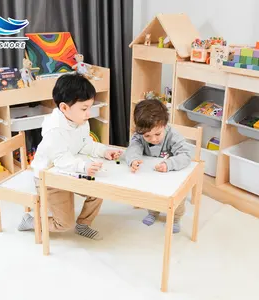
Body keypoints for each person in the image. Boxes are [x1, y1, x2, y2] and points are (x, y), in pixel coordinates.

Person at [18, 74, 122, 240]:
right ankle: (31, 221)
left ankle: (83, 224)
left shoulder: (80, 120)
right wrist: (84, 167)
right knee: (64, 224)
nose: (88, 113)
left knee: (98, 189)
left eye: (90, 107)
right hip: (50, 178)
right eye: (84, 108)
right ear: (64, 108)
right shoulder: (54, 130)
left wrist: (104, 151)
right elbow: (61, 160)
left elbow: (85, 144)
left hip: (69, 171)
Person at [125, 99, 191, 233]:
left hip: (172, 175)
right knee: (151, 194)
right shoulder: (139, 135)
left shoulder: (173, 135)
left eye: (157, 134)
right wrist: (134, 160)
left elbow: (186, 155)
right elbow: (133, 148)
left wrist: (169, 164)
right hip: (153, 175)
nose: (154, 139)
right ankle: (152, 212)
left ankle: (175, 219)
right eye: (147, 136)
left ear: (165, 125)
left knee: (177, 201)